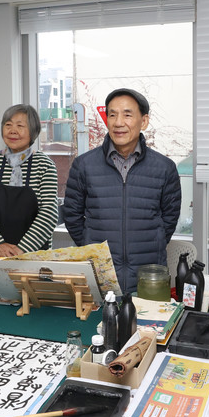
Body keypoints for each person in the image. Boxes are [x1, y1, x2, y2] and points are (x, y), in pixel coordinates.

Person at [62, 88, 182, 293]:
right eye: (112, 115)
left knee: (148, 314)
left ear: (144, 121)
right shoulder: (84, 165)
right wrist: (91, 247)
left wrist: (154, 242)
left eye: (127, 115)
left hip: (149, 276)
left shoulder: (164, 168)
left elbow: (169, 218)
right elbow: (72, 215)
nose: (118, 123)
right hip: (99, 274)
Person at [0, 104, 59, 256]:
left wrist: (22, 249)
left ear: (33, 131)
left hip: (33, 253)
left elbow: (49, 213)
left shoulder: (45, 165)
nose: (12, 130)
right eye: (8, 125)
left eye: (20, 126)